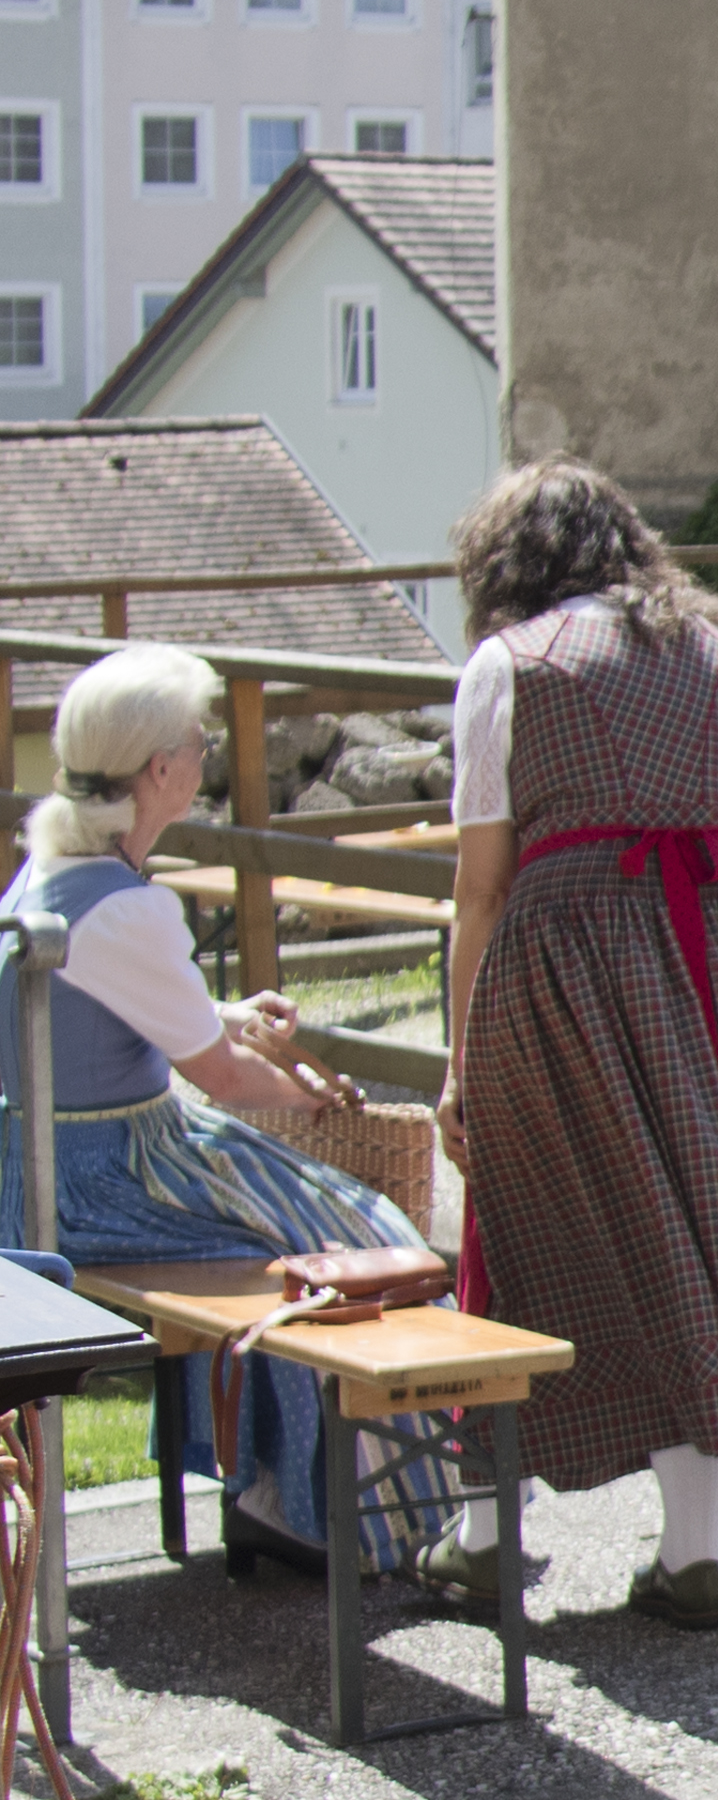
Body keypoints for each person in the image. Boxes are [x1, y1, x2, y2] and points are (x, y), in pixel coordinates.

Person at [420, 464, 718, 1631]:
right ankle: (693, 1553)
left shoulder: (511, 668)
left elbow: (482, 885)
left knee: (529, 1218)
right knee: (697, 1235)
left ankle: (485, 1538)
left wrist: (464, 1059)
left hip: (571, 964)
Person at [0, 642, 451, 1570]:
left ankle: (279, 1484)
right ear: (158, 770)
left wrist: (225, 1014)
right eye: (198, 746)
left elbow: (104, 1004)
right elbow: (229, 1083)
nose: (205, 760)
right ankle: (320, 1504)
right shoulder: (127, 907)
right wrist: (323, 1103)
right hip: (107, 1175)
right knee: (344, 1230)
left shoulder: (49, 878)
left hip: (40, 1161)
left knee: (305, 1227)